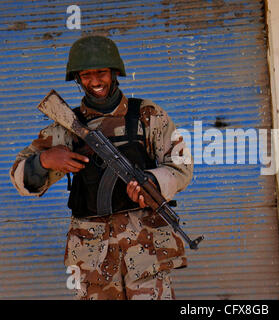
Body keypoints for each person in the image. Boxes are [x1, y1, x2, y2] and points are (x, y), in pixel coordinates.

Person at [9, 35, 193, 300]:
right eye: (86, 75)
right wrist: (45, 161)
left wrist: (153, 181)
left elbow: (182, 167)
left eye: (101, 73)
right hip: (93, 258)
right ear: (77, 78)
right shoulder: (66, 129)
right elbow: (19, 177)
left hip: (146, 251)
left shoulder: (147, 115)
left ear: (115, 72)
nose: (95, 81)